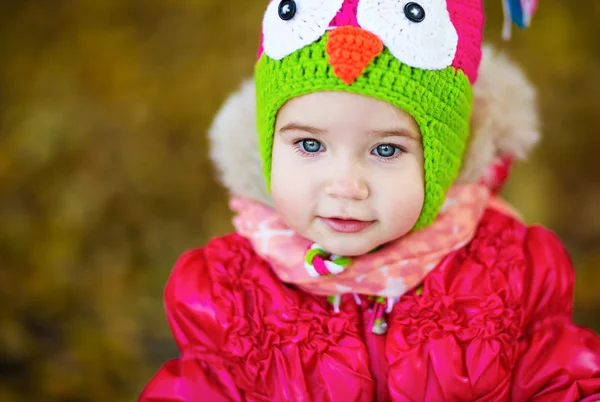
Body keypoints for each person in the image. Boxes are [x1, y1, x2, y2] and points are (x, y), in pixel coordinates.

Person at [140, 0, 600, 400]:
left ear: (439, 164)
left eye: (385, 150)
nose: (345, 186)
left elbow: (566, 383)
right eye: (310, 145)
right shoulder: (231, 297)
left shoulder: (506, 276)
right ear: (268, 146)